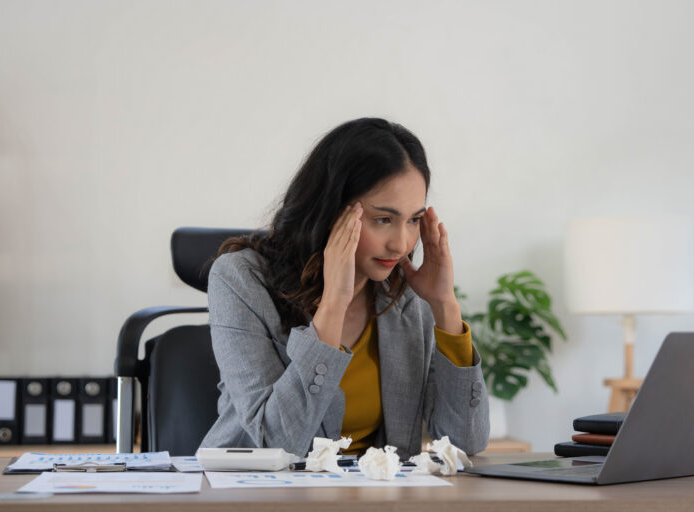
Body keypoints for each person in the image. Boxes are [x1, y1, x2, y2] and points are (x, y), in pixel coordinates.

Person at [200, 118, 489, 459]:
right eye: (383, 219)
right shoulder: (239, 280)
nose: (401, 244)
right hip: (260, 496)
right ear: (330, 211)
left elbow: (465, 442)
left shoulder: (406, 297)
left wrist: (444, 306)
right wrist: (335, 301)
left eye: (413, 220)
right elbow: (275, 443)